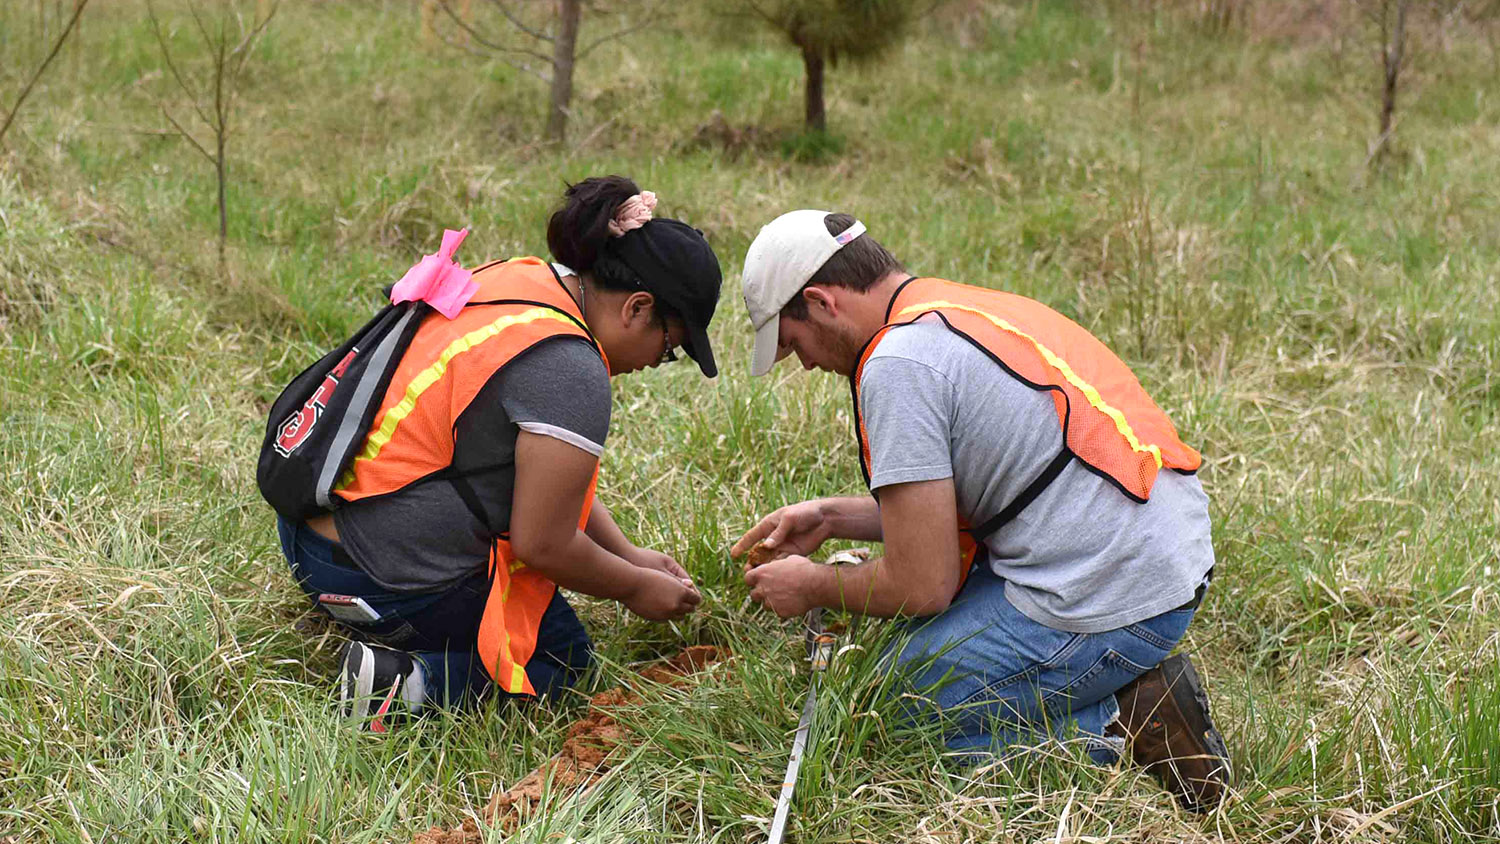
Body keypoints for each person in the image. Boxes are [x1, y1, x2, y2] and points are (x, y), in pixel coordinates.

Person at [731, 209, 1231, 810]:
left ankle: (1124, 723)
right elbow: (972, 495)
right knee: (898, 664)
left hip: (1116, 593)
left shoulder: (897, 365)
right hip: (1159, 549)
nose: (804, 363)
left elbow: (924, 584)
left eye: (793, 342)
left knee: (880, 709)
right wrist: (833, 518)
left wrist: (812, 585)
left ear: (820, 302)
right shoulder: (948, 309)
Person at [273, 176, 720, 729]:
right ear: (637, 307)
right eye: (670, 347)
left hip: (307, 534)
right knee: (560, 663)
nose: (657, 362)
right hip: (368, 574)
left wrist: (628, 554)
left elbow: (541, 484)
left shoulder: (521, 282)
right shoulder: (572, 366)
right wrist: (633, 588)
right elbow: (544, 543)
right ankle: (401, 687)